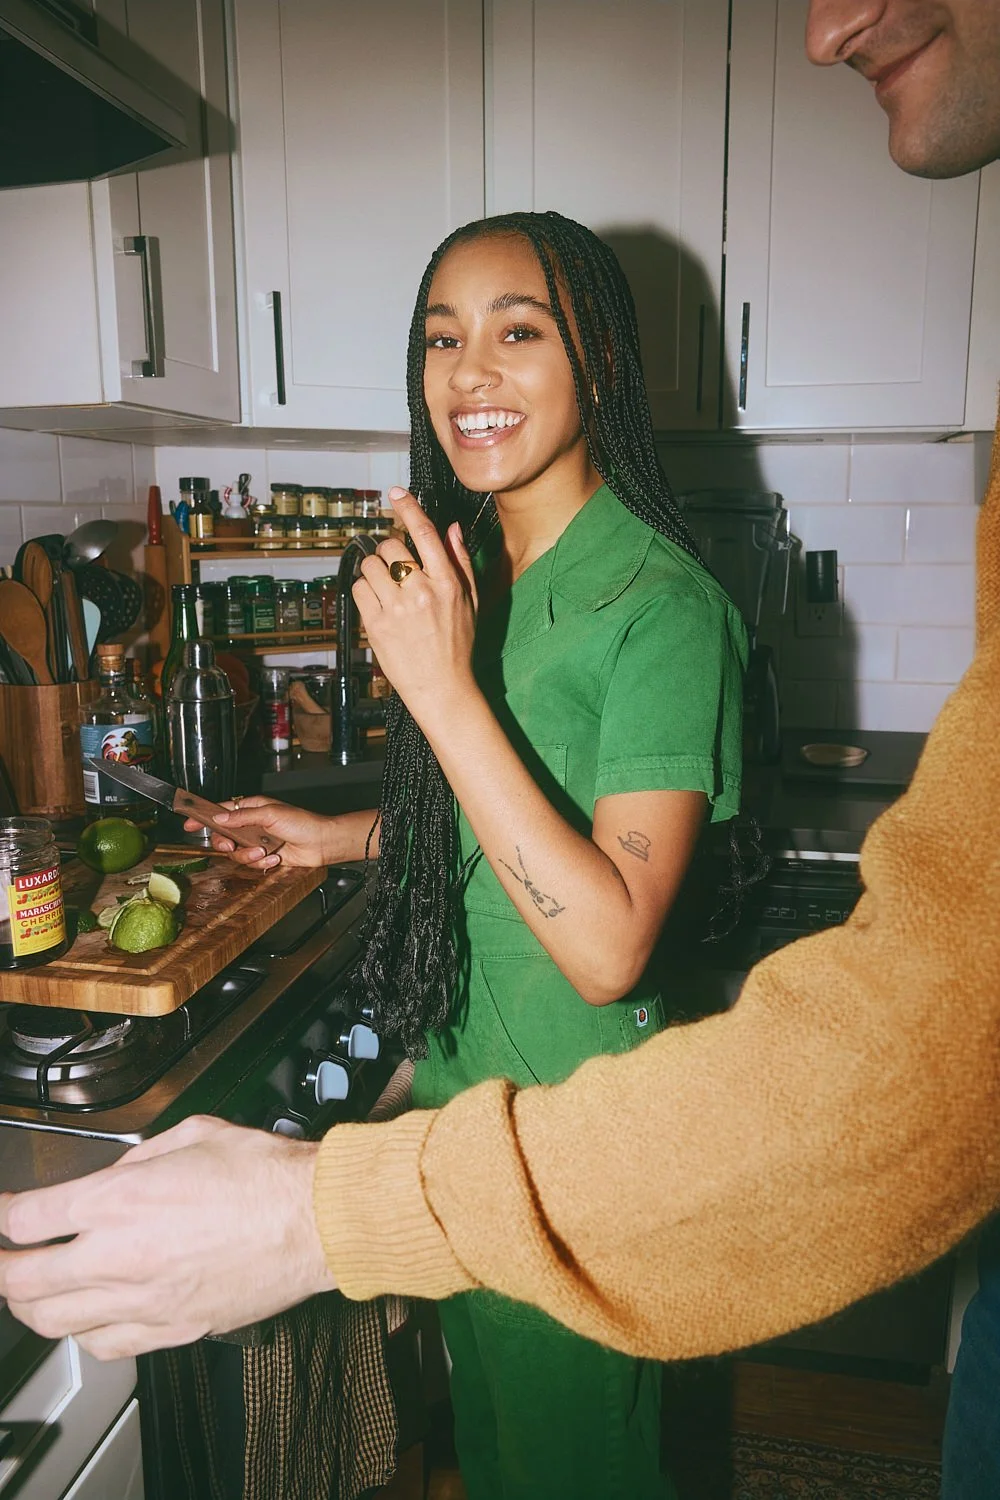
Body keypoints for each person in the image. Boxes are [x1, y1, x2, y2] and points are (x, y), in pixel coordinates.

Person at [0, 0, 998, 1477]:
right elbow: (511, 829)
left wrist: (442, 690)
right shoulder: (493, 572)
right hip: (469, 1112)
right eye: (441, 338)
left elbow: (604, 942)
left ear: (598, 355)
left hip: (581, 1157)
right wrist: (338, 832)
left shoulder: (663, 605)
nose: (471, 372)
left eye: (520, 331)